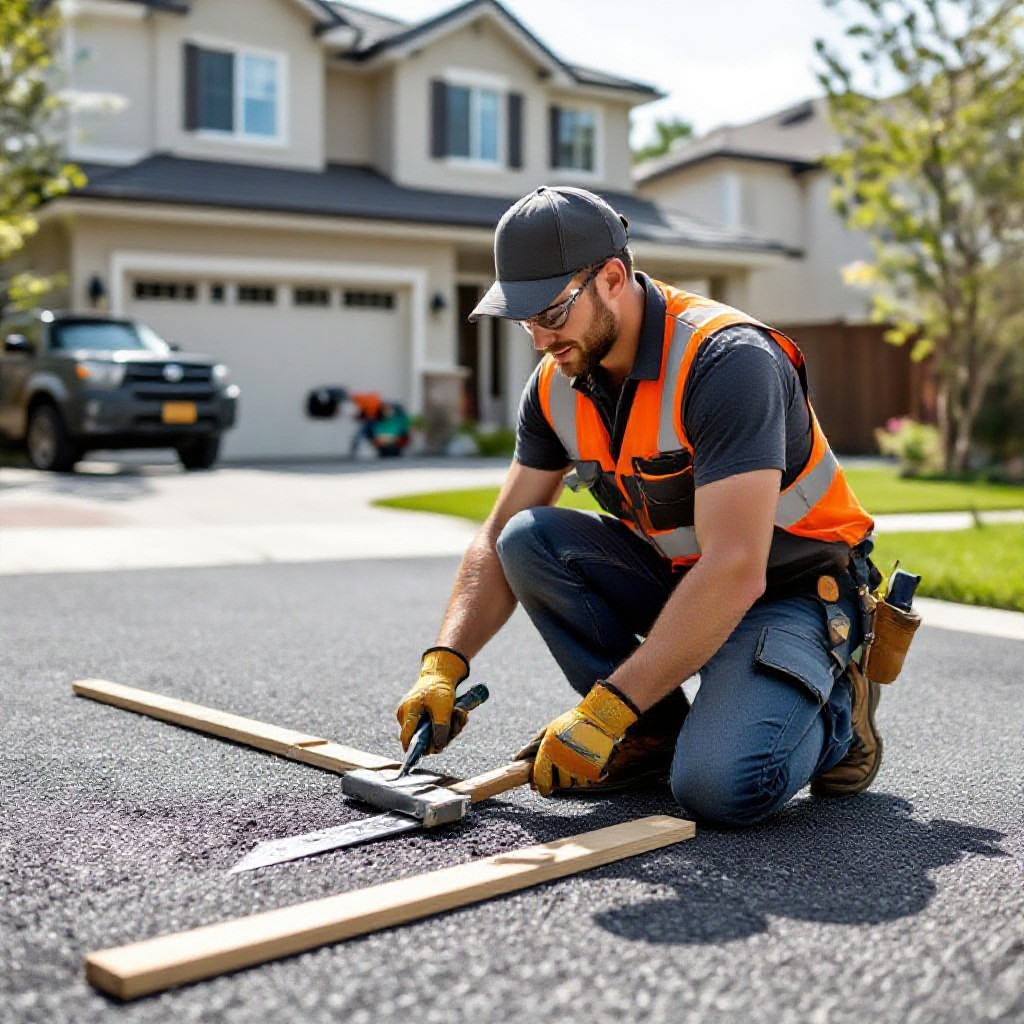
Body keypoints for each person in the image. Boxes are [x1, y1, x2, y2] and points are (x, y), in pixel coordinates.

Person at [396, 186, 882, 827]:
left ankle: (839, 712)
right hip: (684, 580)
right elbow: (494, 538)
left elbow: (737, 566)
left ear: (613, 278)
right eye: (524, 320)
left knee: (719, 788)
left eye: (552, 312)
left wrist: (604, 710)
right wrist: (444, 663)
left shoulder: (728, 362)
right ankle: (651, 736)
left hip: (792, 589)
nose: (540, 338)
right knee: (526, 538)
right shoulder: (556, 383)